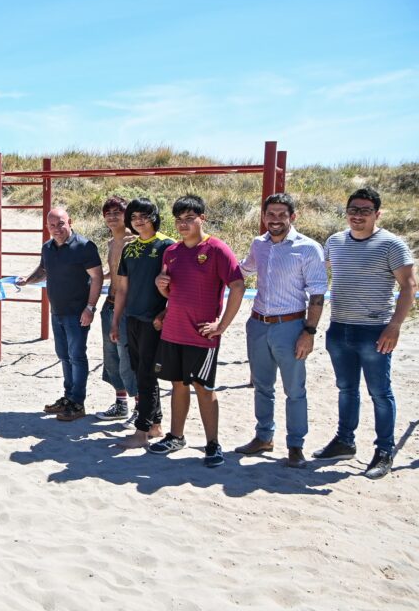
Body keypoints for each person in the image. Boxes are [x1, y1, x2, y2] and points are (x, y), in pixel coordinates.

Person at [313, 187, 416, 479]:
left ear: (377, 214)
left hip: (375, 330)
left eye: (365, 211)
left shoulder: (392, 244)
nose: (358, 216)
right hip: (339, 328)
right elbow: (317, 273)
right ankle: (345, 441)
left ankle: (384, 451)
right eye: (353, 210)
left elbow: (409, 286)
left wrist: (394, 326)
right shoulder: (334, 241)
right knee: (346, 389)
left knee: (380, 393)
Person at [149, 195, 245, 467]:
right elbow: (171, 292)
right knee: (177, 385)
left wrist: (221, 325)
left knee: (203, 388)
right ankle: (176, 436)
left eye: (190, 218)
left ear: (202, 218)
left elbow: (238, 286)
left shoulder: (217, 249)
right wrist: (160, 286)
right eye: (179, 219)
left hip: (202, 335)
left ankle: (213, 444)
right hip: (173, 331)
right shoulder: (172, 252)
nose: (184, 224)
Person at [234, 193, 327, 469]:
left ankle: (296, 446)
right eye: (270, 214)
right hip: (258, 325)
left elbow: (317, 294)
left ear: (292, 216)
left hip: (291, 327)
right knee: (262, 386)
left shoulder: (308, 248)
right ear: (264, 217)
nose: (275, 220)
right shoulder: (259, 244)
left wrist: (309, 332)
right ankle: (264, 437)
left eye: (281, 214)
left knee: (294, 389)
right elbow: (243, 270)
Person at [18, 207, 103, 421]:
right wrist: (27, 279)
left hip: (78, 313)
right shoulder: (47, 247)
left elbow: (97, 277)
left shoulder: (84, 246)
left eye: (61, 224)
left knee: (77, 357)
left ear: (70, 222)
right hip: (57, 312)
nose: (57, 229)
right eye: (52, 225)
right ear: (47, 227)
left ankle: (78, 403)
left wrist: (90, 308)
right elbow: (43, 270)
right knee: (64, 356)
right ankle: (68, 398)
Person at [110, 198, 174, 449]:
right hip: (132, 319)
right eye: (134, 216)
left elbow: (178, 286)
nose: (139, 221)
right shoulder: (130, 248)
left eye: (144, 216)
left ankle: (141, 431)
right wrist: (116, 321)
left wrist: (165, 312)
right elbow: (122, 289)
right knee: (141, 373)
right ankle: (155, 424)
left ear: (154, 217)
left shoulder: (168, 246)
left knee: (147, 375)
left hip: (154, 321)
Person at [95, 196, 140, 423]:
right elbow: (112, 272)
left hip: (128, 307)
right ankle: (121, 403)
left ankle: (141, 407)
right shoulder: (111, 243)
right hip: (109, 304)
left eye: (117, 212)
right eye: (108, 213)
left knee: (128, 357)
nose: (112, 217)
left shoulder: (135, 241)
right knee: (111, 356)